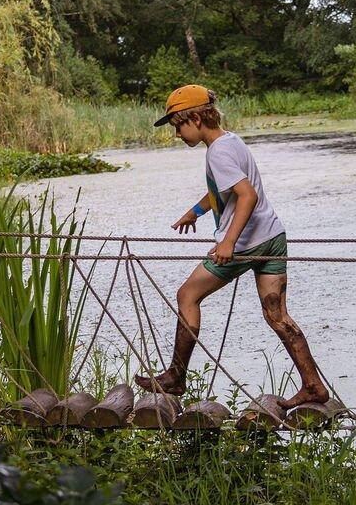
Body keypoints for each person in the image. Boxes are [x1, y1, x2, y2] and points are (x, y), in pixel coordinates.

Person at [134, 84, 329, 409]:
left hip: (245, 244)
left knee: (187, 295)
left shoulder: (217, 152)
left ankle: (176, 378)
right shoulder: (231, 141)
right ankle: (313, 386)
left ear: (196, 118)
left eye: (178, 125)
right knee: (278, 316)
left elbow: (246, 195)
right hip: (271, 236)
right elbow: (224, 191)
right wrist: (195, 212)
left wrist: (228, 241)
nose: (177, 134)